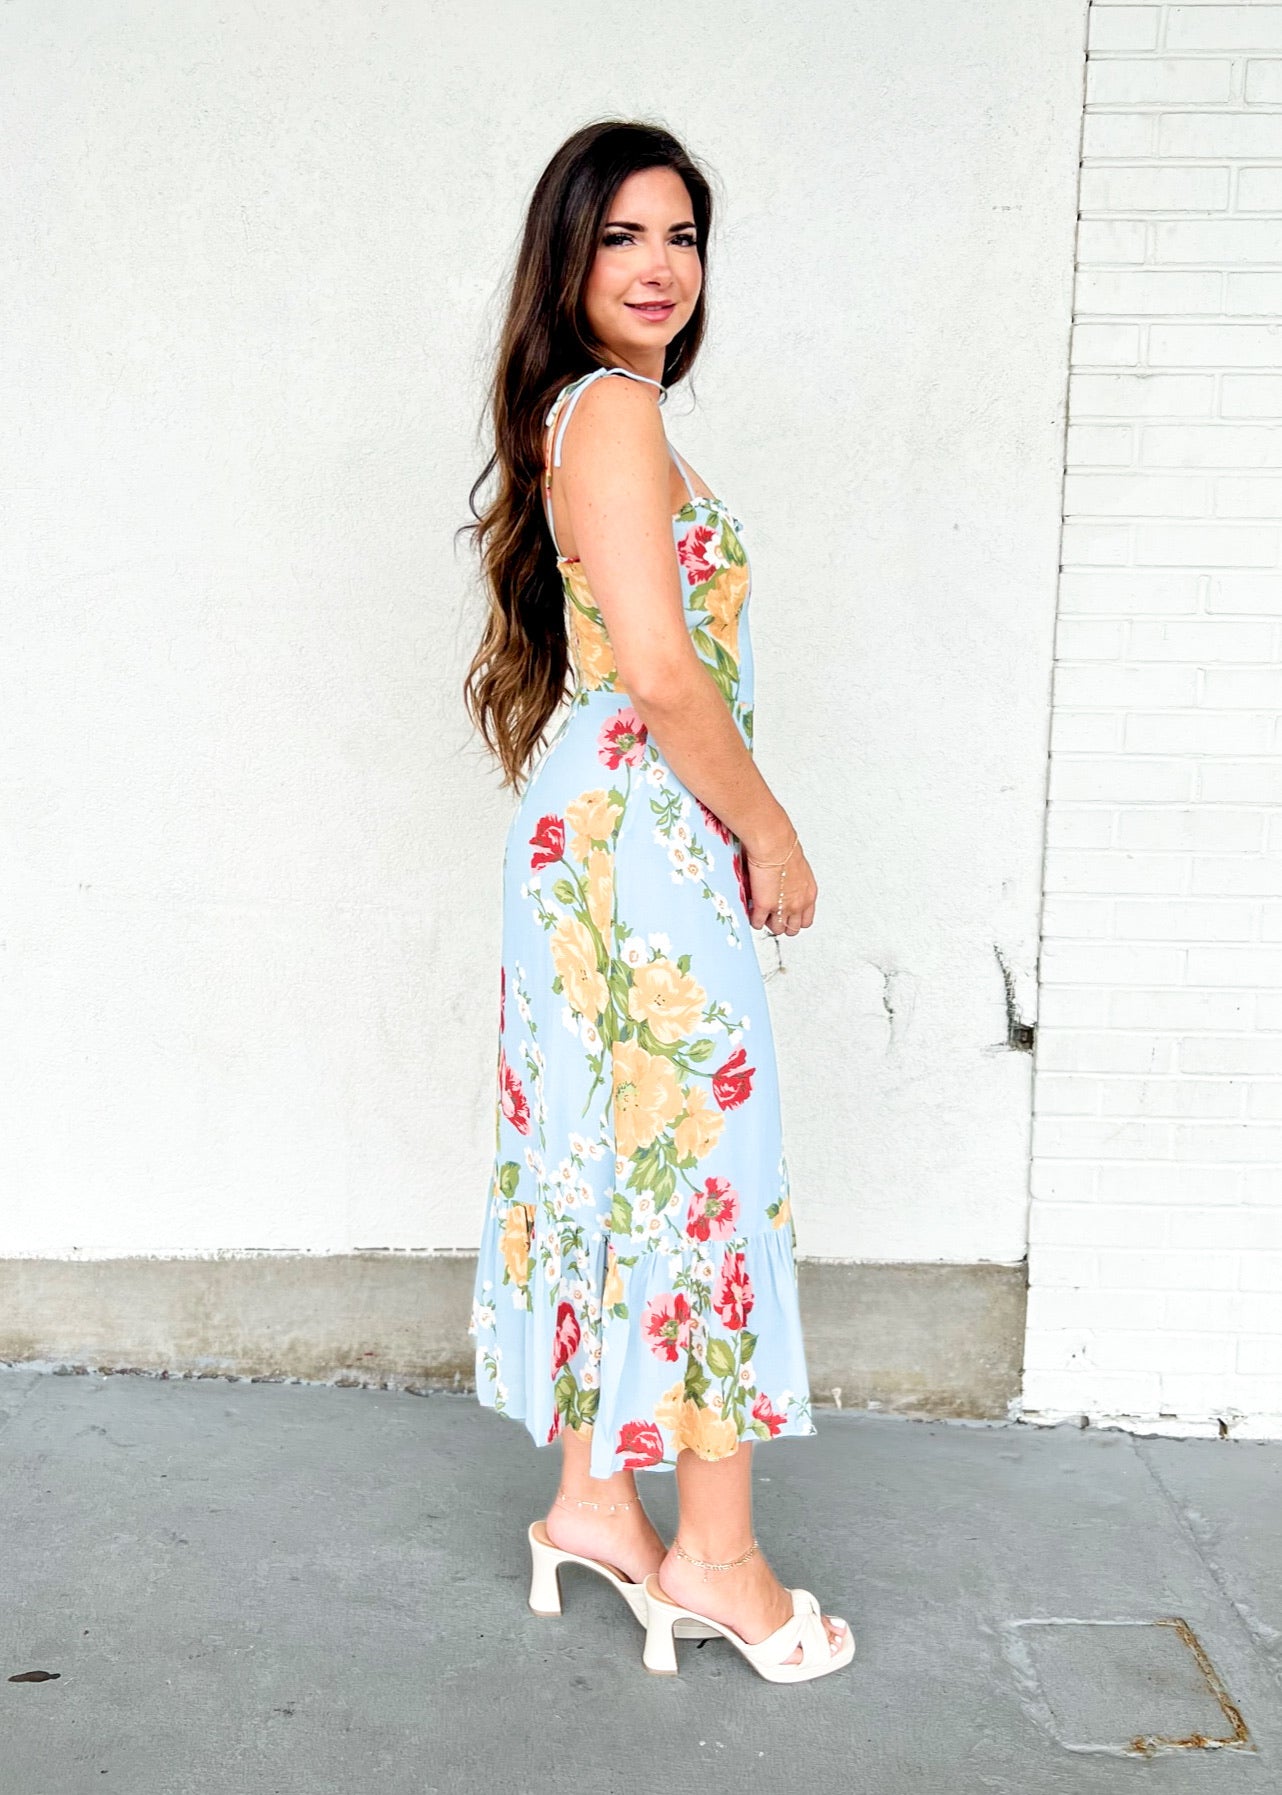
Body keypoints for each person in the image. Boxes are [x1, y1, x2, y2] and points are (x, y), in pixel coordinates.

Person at [461, 119, 853, 1682]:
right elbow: (667, 677)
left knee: (609, 1160)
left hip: (606, 837)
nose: (657, 266)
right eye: (621, 235)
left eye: (680, 236)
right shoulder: (612, 413)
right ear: (567, 258)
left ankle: (592, 1507)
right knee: (694, 1171)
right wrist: (775, 835)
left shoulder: (583, 416)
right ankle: (716, 1561)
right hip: (645, 841)